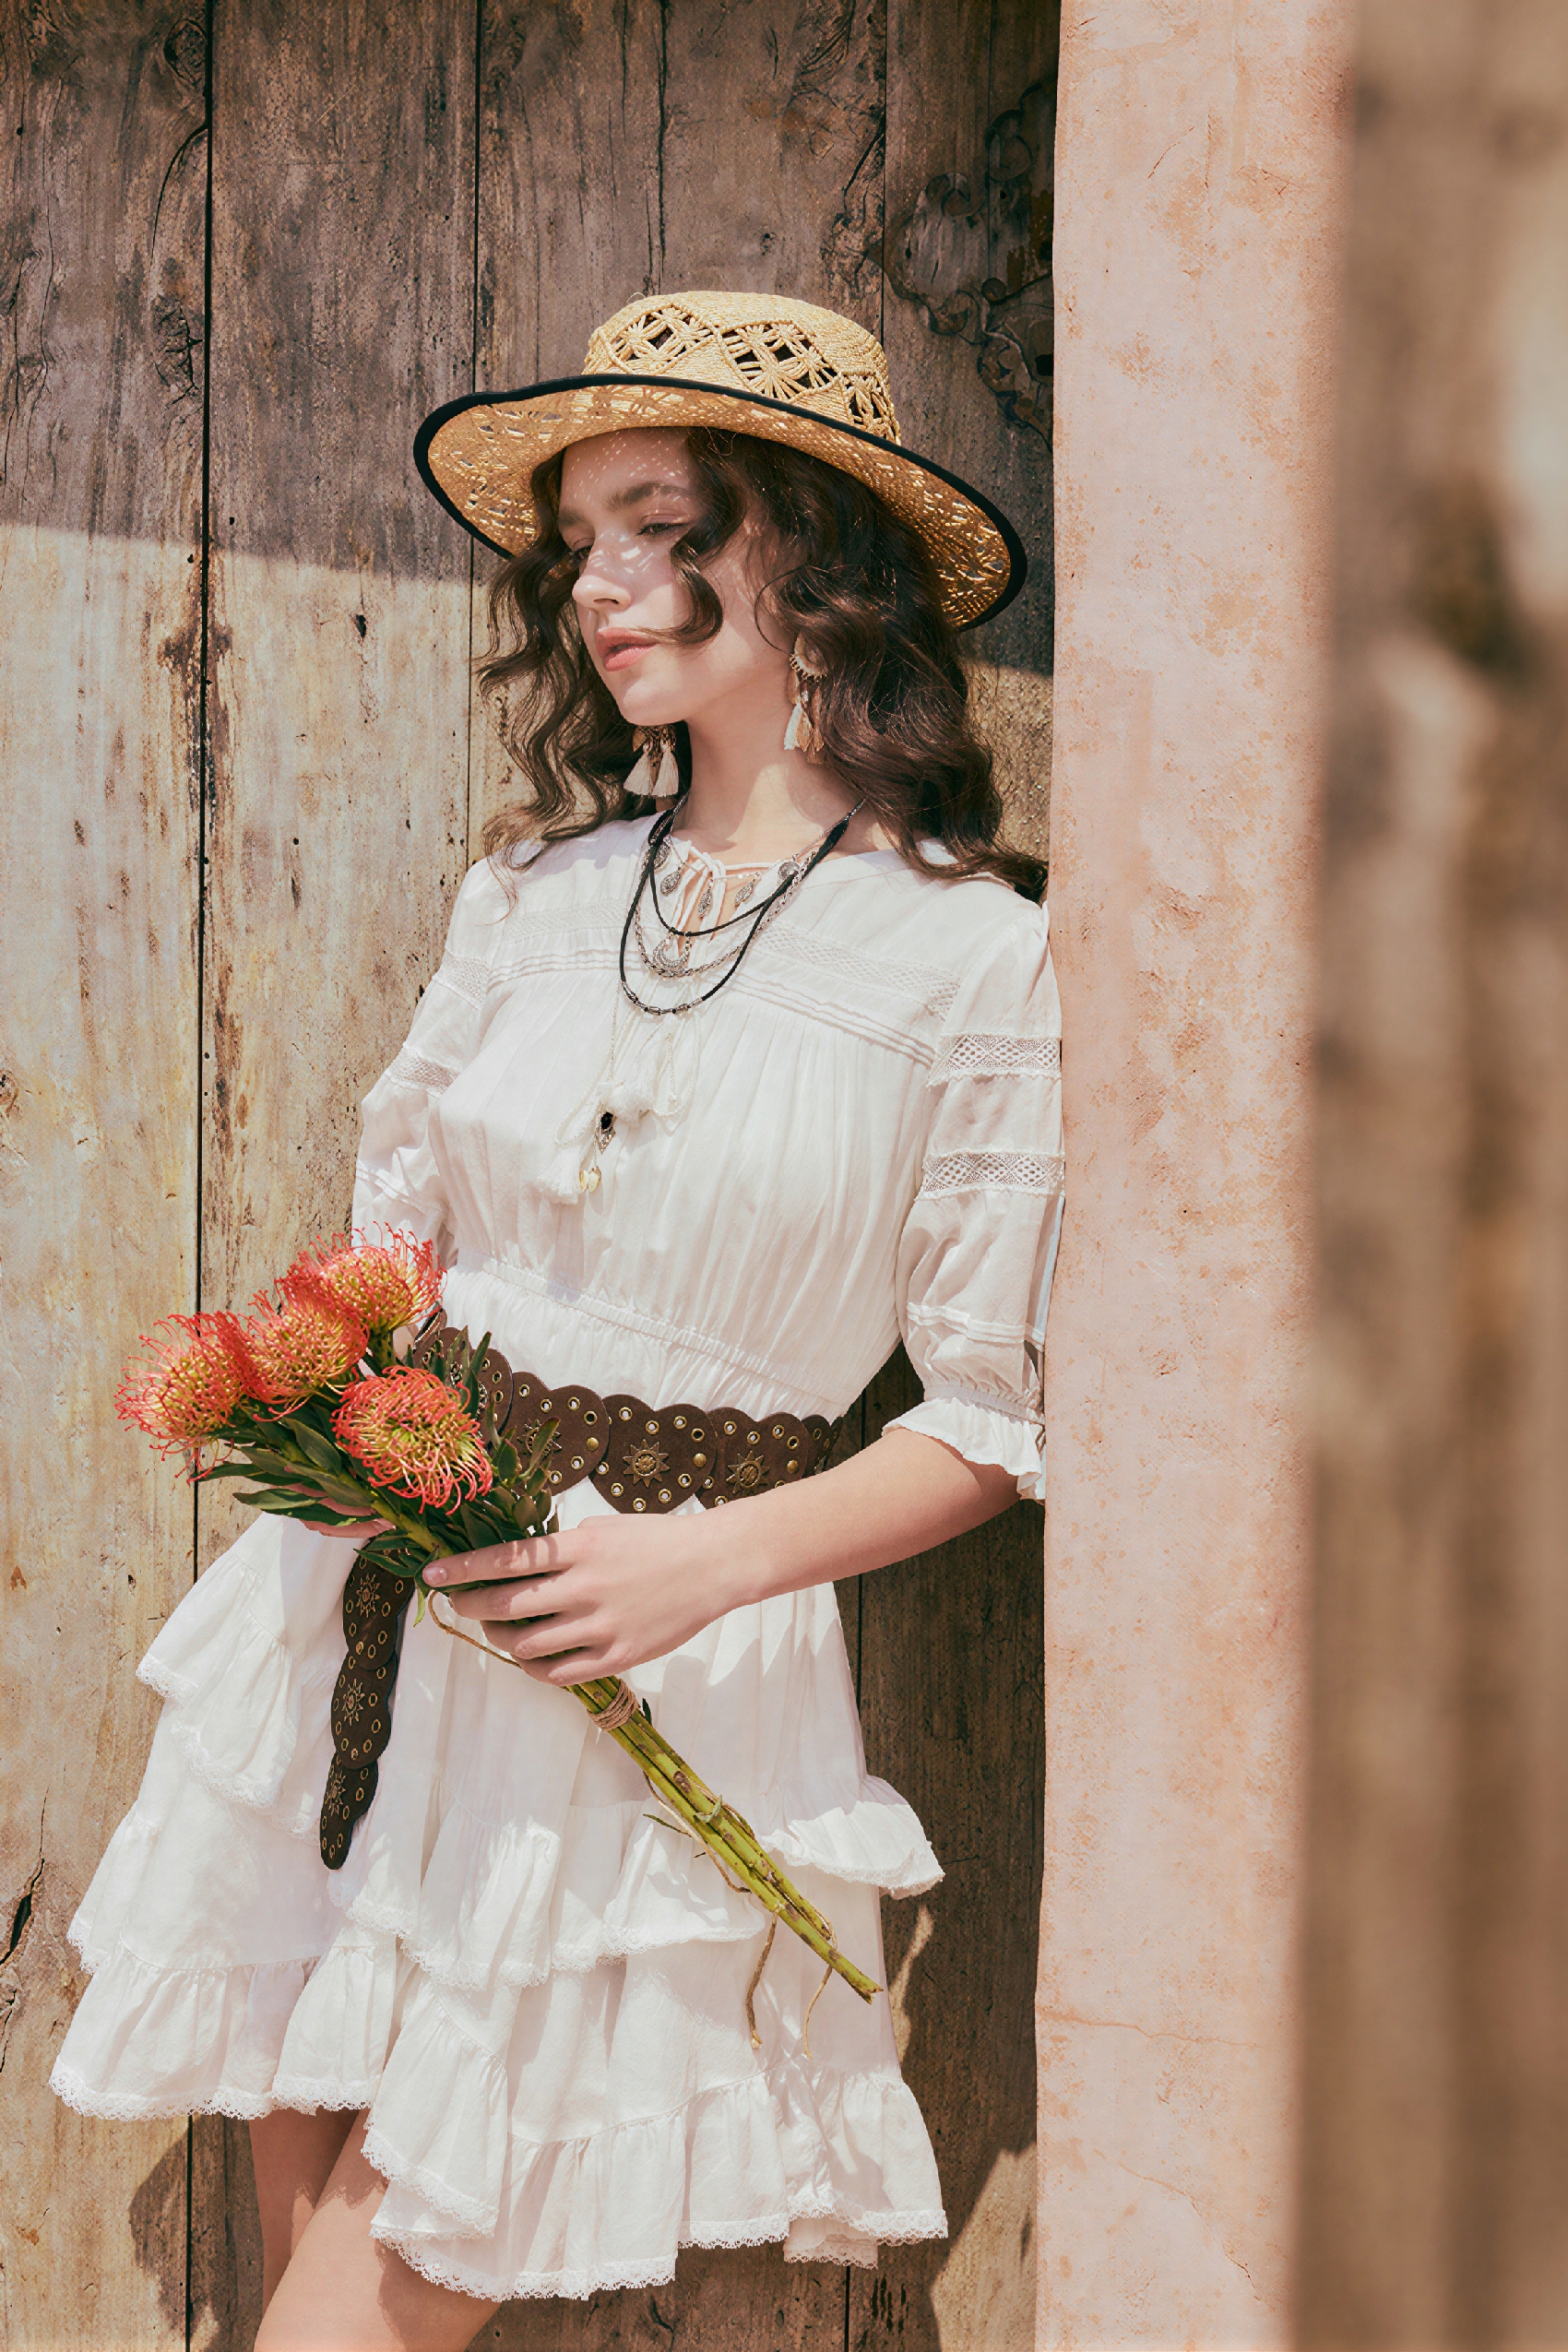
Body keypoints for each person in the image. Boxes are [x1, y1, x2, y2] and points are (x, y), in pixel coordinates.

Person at [51, 291, 1063, 2351]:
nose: (594, 582)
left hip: (660, 1657)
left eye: (651, 523)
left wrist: (695, 1567)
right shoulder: (529, 893)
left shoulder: (975, 963)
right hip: (367, 1599)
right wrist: (326, 1413)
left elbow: (986, 1415)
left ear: (812, 557)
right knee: (304, 2247)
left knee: (364, 2297)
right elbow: (388, 1267)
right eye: (576, 541)